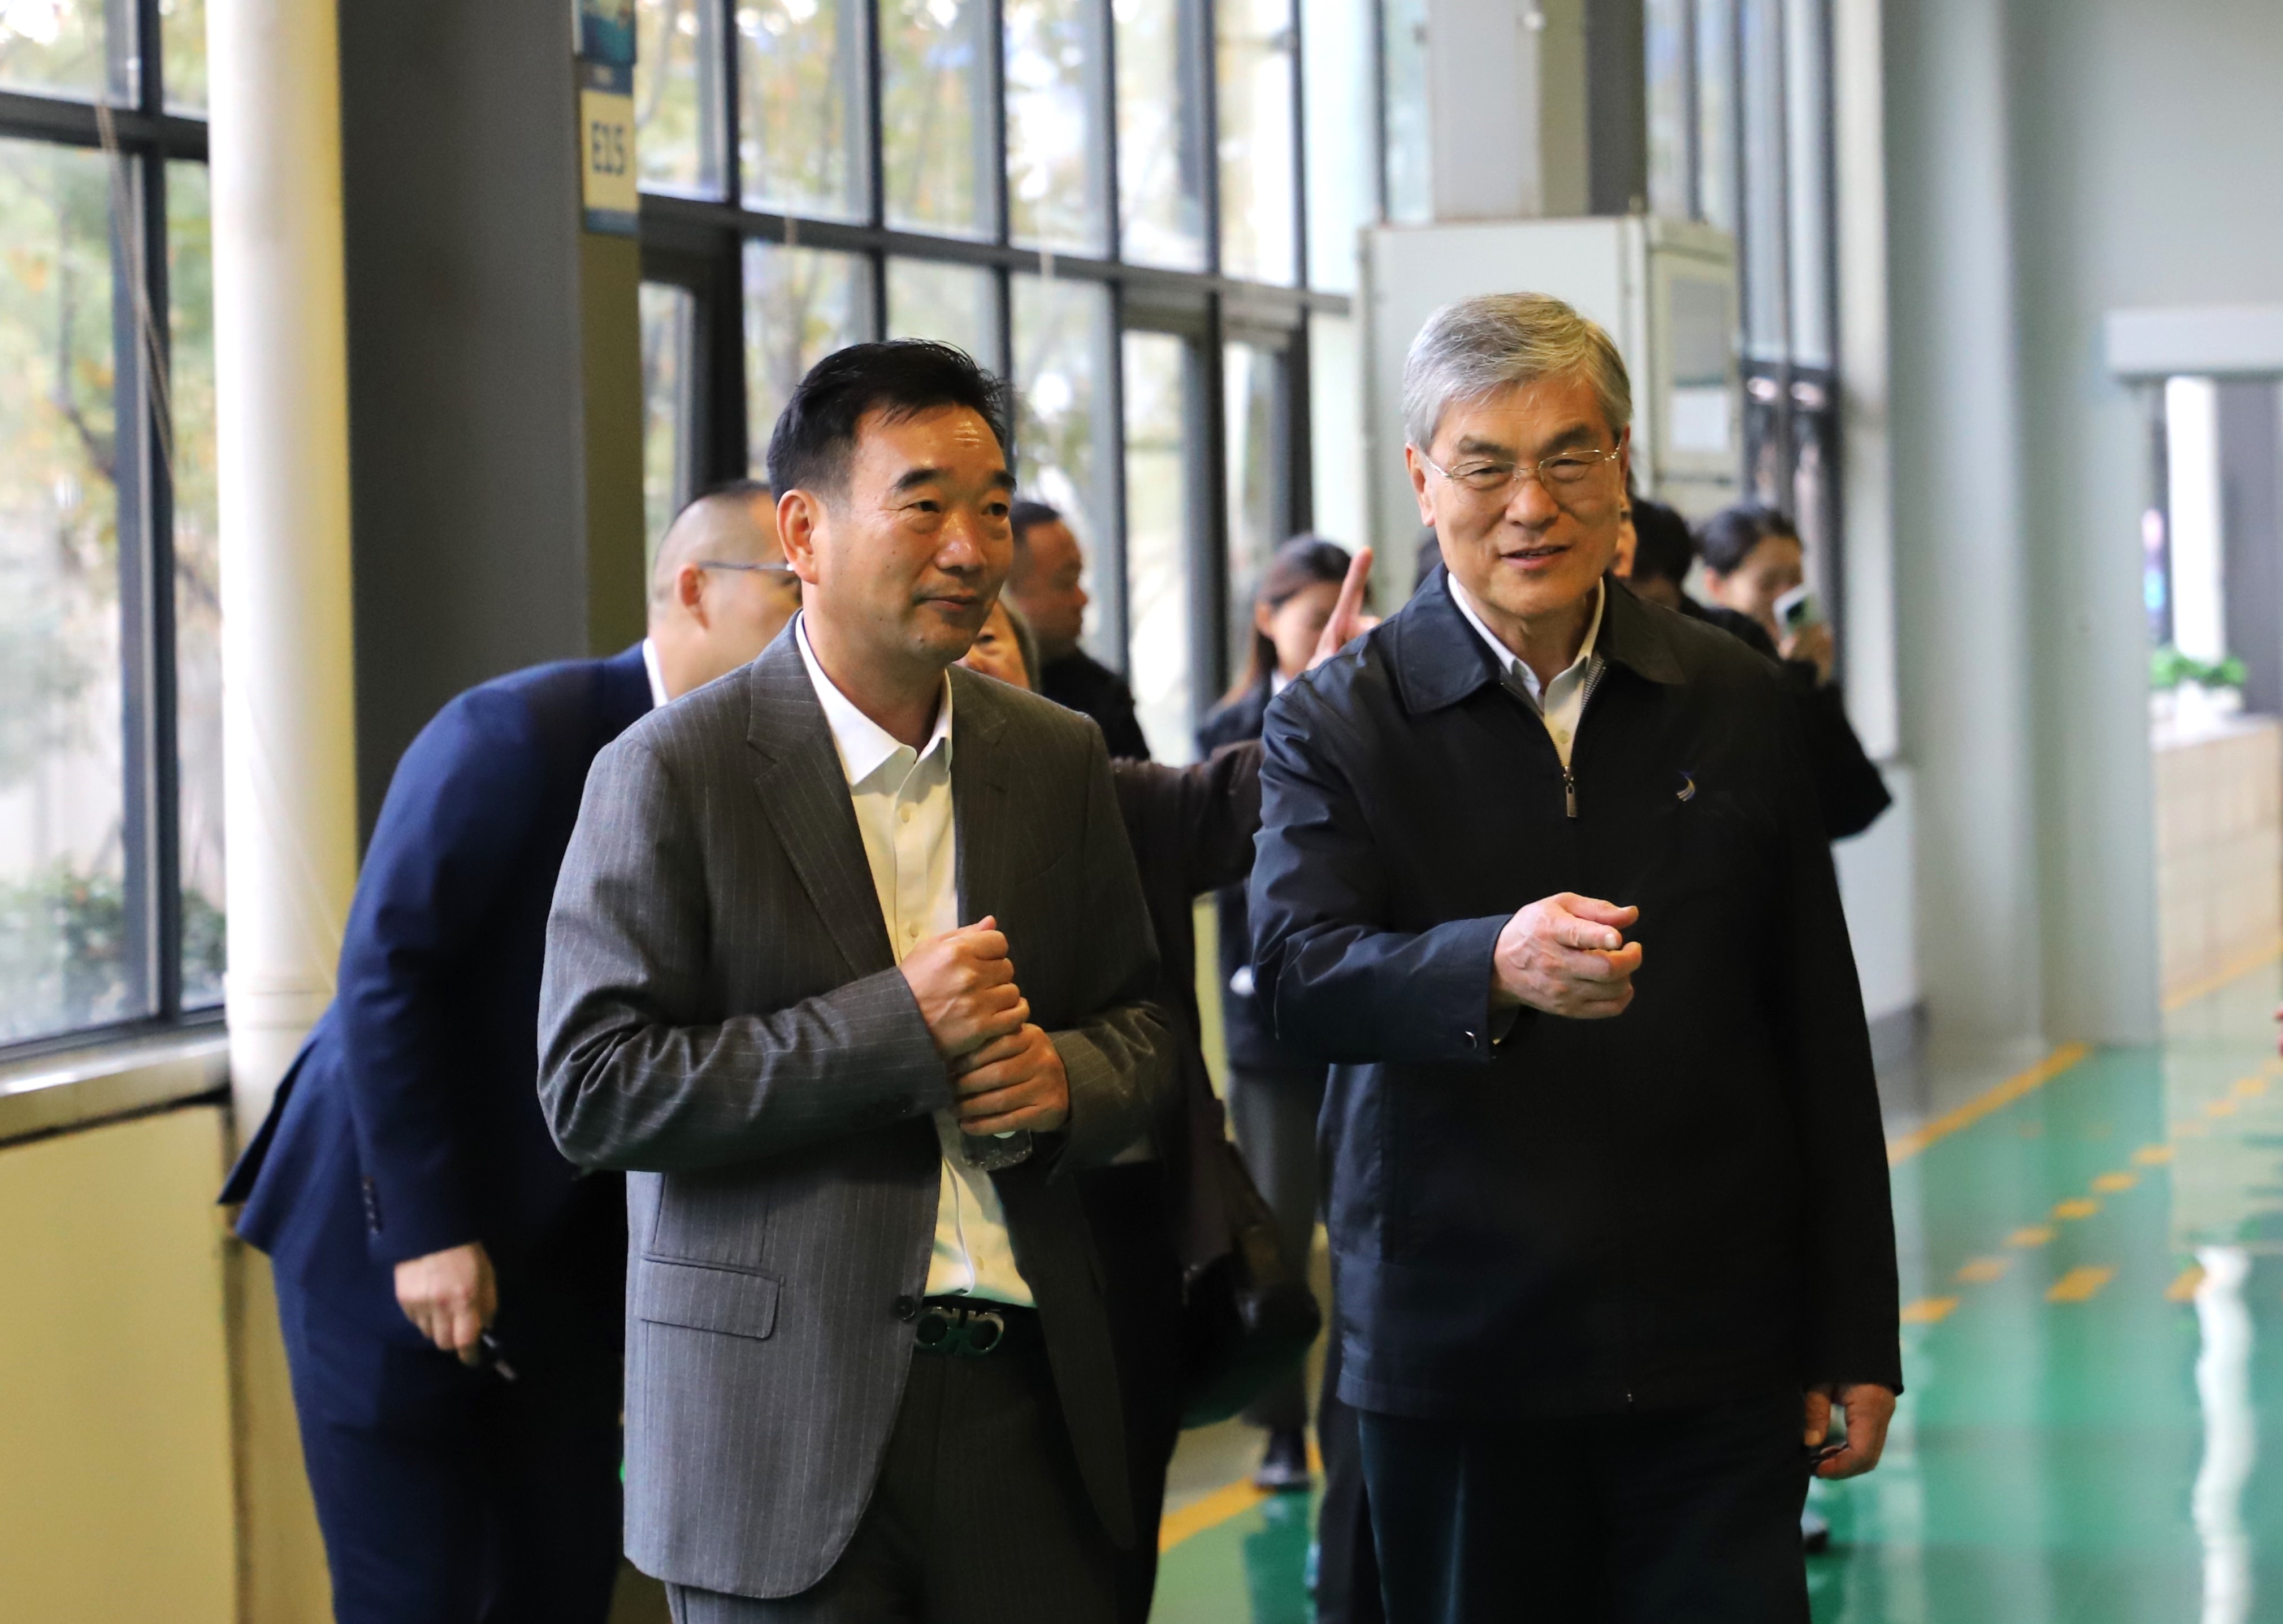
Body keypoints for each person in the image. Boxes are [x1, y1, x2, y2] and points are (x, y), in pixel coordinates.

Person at [1249, 292, 1902, 1622]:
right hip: (1459, 1353)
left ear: (1623, 468)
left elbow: (1817, 1027)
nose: (1530, 506)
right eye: (1485, 465)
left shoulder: (1733, 696)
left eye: (1569, 458)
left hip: (1714, 1346)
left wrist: (1853, 1327)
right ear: (1423, 481)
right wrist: (1488, 963)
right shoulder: (1340, 718)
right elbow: (1299, 975)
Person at [538, 340, 1179, 1623]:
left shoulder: (1055, 757)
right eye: (923, 504)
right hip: (779, 1432)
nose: (970, 548)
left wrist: (1065, 1079)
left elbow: (1145, 1027)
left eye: (991, 508)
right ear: (803, 533)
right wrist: (896, 1029)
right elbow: (594, 1088)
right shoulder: (672, 771)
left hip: (1028, 1412)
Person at [218, 480, 798, 1624]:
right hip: (385, 1223)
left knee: (565, 1576)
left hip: (569, 1254)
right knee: (414, 1591)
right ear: (694, 590)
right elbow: (387, 971)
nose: (816, 625)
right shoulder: (518, 731)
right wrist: (429, 1229)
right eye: (792, 590)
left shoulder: (759, 779)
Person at [1197, 534, 1355, 1492]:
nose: (1333, 632)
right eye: (1313, 617)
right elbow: (1222, 867)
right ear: (1267, 619)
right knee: (1278, 1234)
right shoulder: (1229, 727)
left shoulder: (1367, 709)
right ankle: (1279, 1428)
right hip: (1266, 1027)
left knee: (1363, 1230)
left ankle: (1346, 1424)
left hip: (1356, 1021)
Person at [1632, 498, 1892, 842]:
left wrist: (1813, 687)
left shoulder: (1799, 670)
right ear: (1716, 586)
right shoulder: (1705, 654)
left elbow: (1851, 806)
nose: (1785, 598)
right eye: (1767, 584)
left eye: (1796, 579)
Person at [1006, 497, 1153, 759]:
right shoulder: (952, 697)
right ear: (1006, 594)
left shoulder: (1103, 696)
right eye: (1065, 583)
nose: (1082, 600)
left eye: (1079, 579)